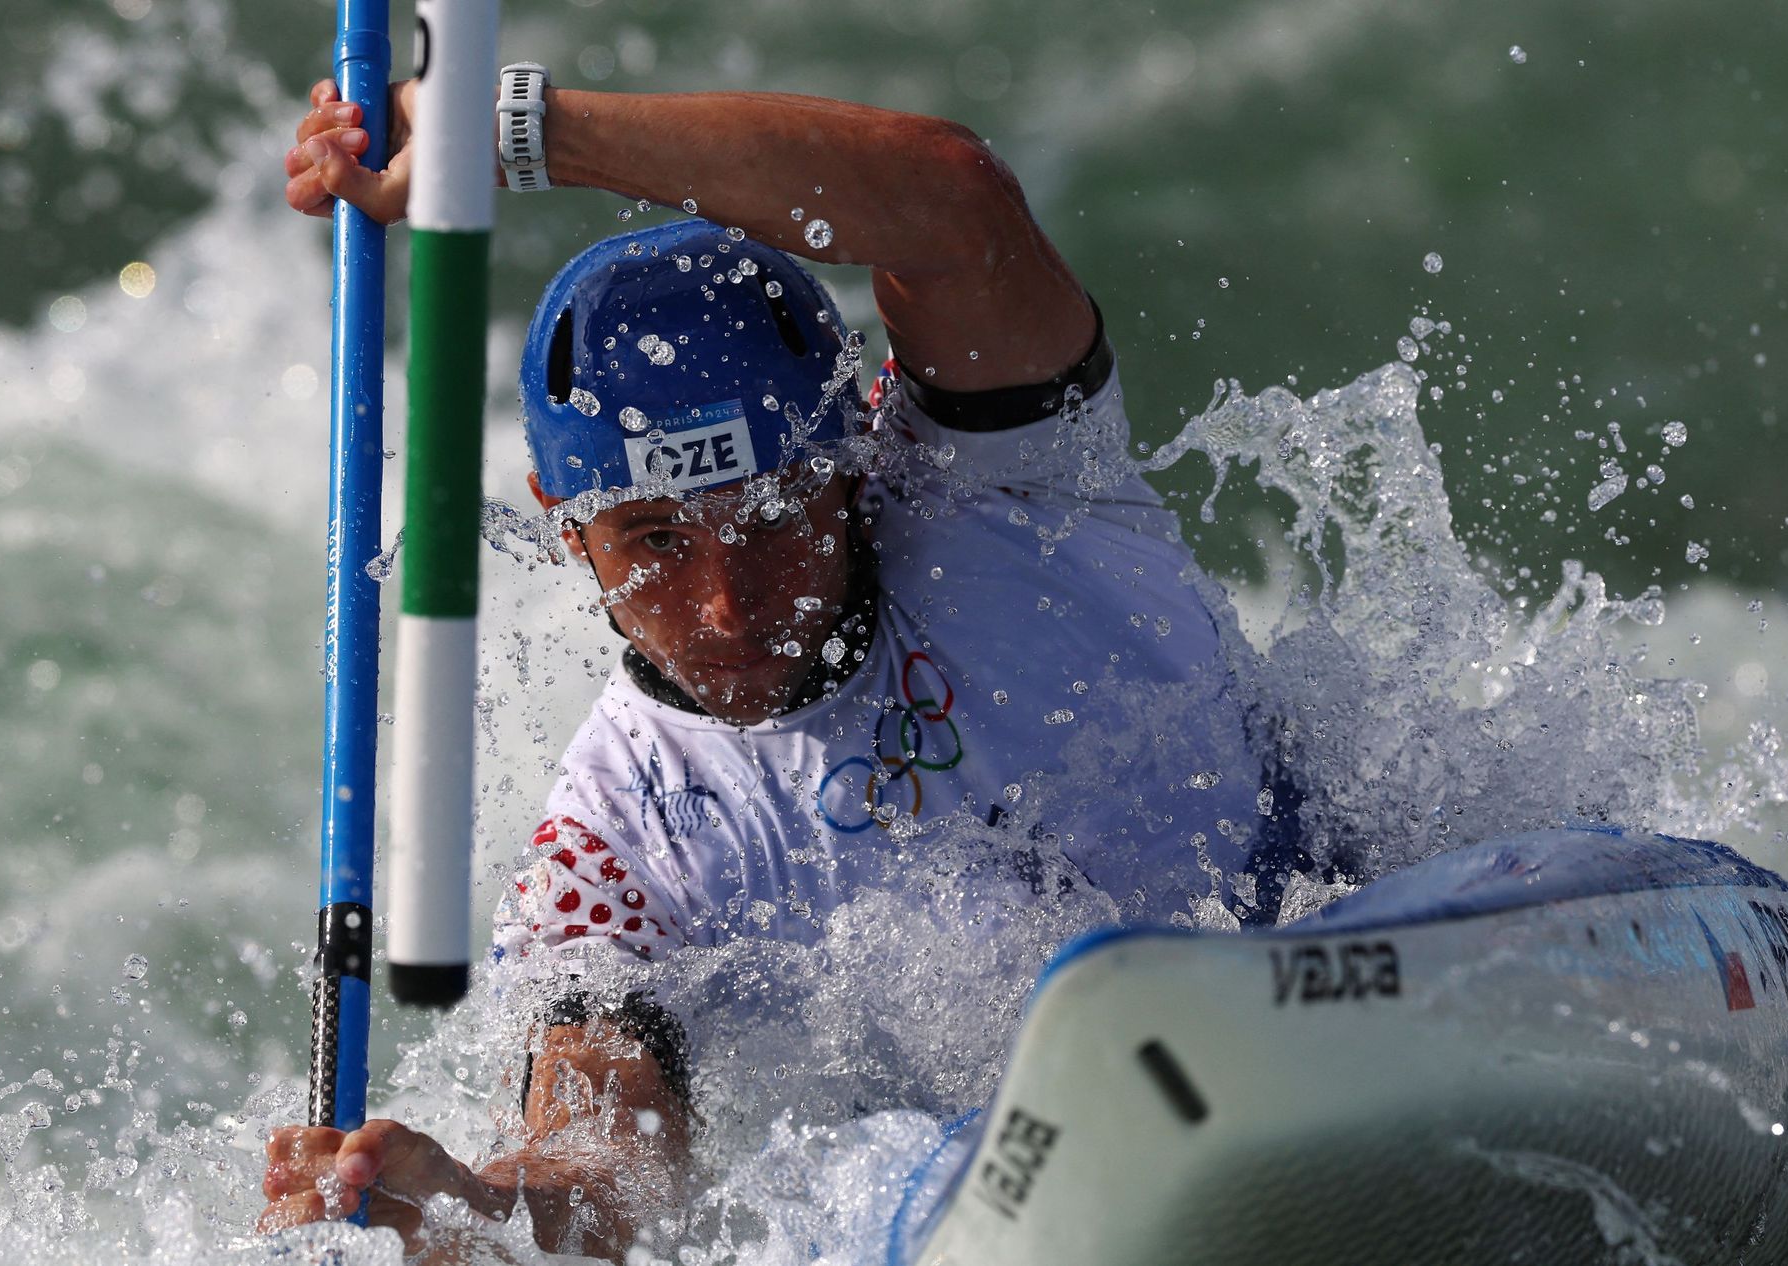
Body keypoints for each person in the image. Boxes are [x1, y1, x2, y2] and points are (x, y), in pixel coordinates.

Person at [261, 70, 1309, 1259]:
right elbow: (609, 1178)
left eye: (771, 516)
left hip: (1345, 954)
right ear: (568, 529)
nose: (725, 602)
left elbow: (955, 205)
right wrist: (475, 1216)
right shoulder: (613, 840)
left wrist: (522, 132)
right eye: (654, 539)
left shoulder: (1011, 485)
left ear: (857, 455)